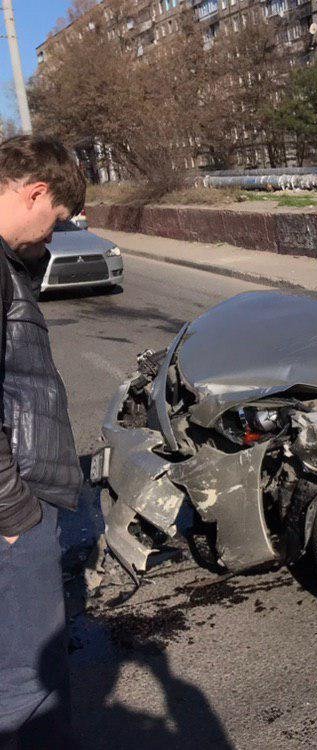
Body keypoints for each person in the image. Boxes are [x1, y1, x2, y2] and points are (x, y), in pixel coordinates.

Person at [0, 136, 87, 750]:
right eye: (54, 219)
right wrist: (14, 512)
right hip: (13, 508)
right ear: (34, 193)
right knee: (29, 685)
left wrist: (27, 253)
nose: (52, 236)